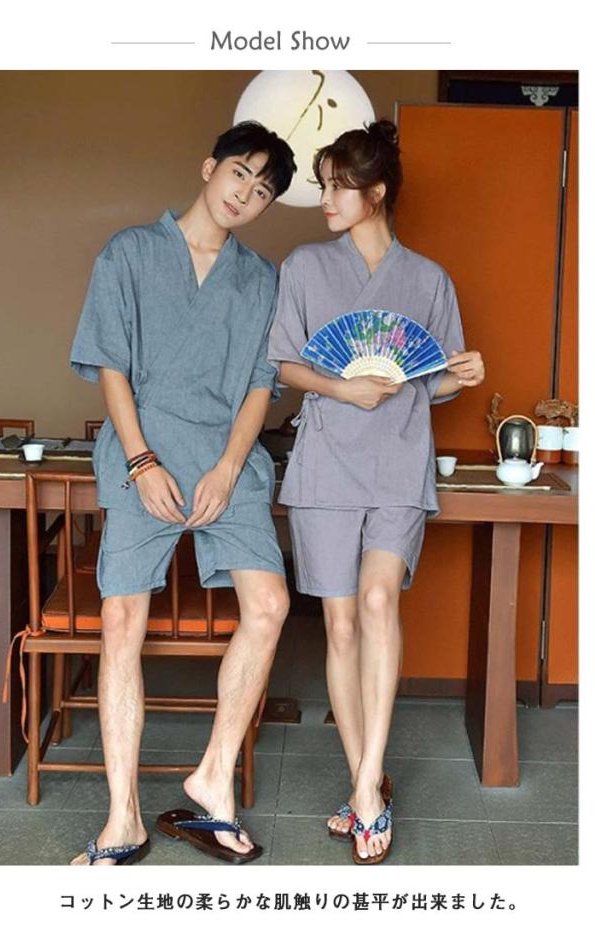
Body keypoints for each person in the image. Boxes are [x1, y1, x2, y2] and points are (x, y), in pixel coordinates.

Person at [69, 121, 296, 865]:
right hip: (145, 456)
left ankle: (213, 777)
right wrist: (141, 462)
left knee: (271, 605)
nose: (246, 195)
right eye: (240, 174)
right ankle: (123, 818)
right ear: (209, 167)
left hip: (227, 461)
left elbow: (261, 384)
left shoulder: (261, 279)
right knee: (121, 618)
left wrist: (229, 467)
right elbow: (110, 365)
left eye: (263, 191)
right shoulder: (130, 253)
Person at [267, 118, 485, 865]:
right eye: (323, 186)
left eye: (338, 187)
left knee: (378, 600)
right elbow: (285, 365)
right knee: (339, 627)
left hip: (398, 460)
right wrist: (342, 387)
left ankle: (365, 789)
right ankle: (366, 780)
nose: (325, 199)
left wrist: (463, 374)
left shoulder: (428, 280)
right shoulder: (303, 266)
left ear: (378, 192)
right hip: (325, 462)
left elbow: (434, 380)